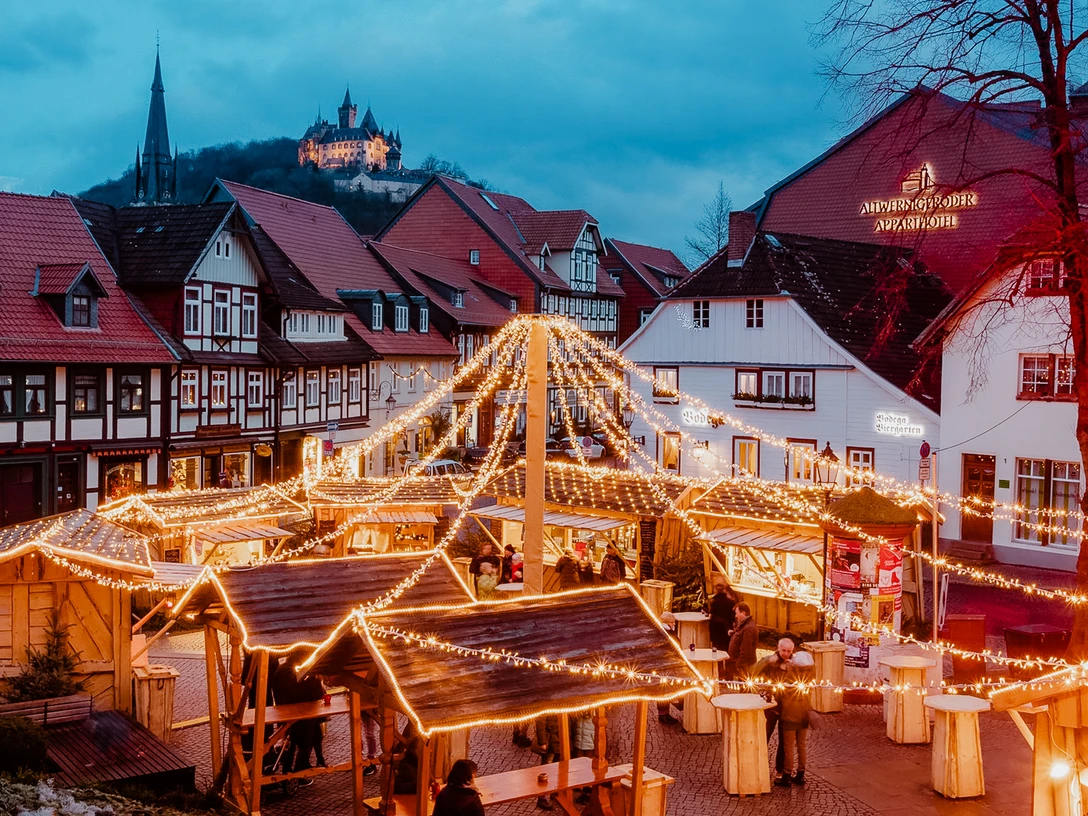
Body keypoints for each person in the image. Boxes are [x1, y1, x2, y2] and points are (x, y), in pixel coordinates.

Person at [754, 638, 814, 786]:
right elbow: (754, 670)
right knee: (764, 736)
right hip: (772, 706)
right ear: (778, 649)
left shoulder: (795, 664)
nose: (786, 654)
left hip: (788, 709)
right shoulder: (771, 660)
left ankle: (781, 771)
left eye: (789, 651)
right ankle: (758, 767)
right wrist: (768, 661)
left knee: (785, 743)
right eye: (783, 651)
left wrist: (789, 668)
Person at [531, 714, 562, 810]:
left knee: (559, 768)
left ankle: (555, 791)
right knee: (545, 770)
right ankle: (542, 797)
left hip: (559, 739)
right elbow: (540, 721)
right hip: (550, 740)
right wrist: (543, 741)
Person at [725, 603, 757, 680]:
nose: (736, 616)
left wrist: (739, 665)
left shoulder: (748, 628)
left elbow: (746, 649)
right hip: (741, 664)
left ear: (743, 613)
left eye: (737, 613)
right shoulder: (743, 626)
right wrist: (734, 634)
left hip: (745, 666)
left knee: (745, 688)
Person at [706, 581, 738, 653]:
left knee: (717, 649)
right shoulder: (731, 603)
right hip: (727, 629)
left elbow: (712, 615)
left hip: (716, 630)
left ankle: (718, 663)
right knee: (726, 648)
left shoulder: (713, 602)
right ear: (724, 590)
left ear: (715, 590)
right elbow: (733, 617)